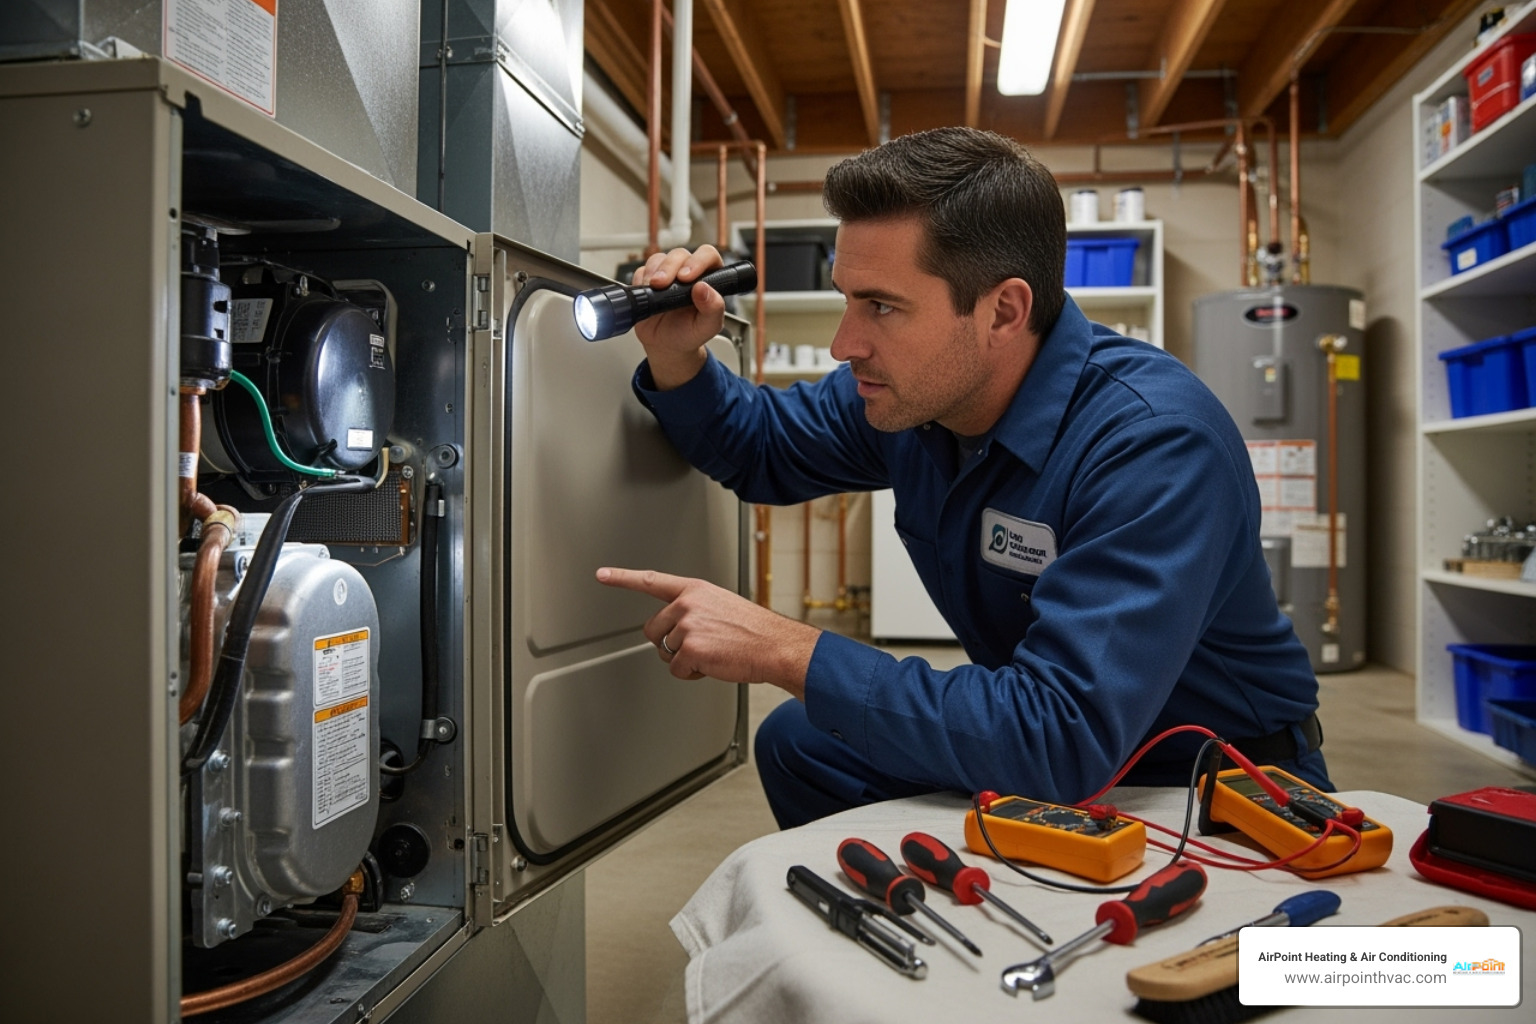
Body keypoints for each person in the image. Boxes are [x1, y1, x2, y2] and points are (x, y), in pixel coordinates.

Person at [596, 126, 1331, 830]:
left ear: (1004, 311)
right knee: (803, 742)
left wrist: (788, 649)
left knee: (817, 710)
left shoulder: (1153, 444)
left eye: (881, 306)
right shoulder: (918, 399)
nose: (844, 343)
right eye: (848, 299)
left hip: (1209, 787)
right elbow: (762, 447)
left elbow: (1061, 734)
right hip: (1064, 751)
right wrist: (678, 358)